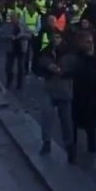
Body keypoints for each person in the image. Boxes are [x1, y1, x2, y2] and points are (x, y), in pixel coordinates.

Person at [36, 31, 76, 161]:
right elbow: (38, 64)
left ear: (62, 39)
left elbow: (74, 69)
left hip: (64, 90)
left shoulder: (68, 52)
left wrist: (62, 71)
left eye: (58, 37)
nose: (55, 40)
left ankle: (69, 147)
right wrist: (48, 66)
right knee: (47, 115)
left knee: (66, 121)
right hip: (49, 89)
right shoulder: (47, 51)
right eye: (53, 37)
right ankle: (46, 142)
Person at [70, 31, 96, 160]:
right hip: (77, 98)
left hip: (91, 100)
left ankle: (91, 152)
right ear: (80, 43)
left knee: (91, 129)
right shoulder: (76, 58)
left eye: (91, 42)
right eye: (88, 42)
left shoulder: (94, 59)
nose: (91, 45)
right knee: (73, 127)